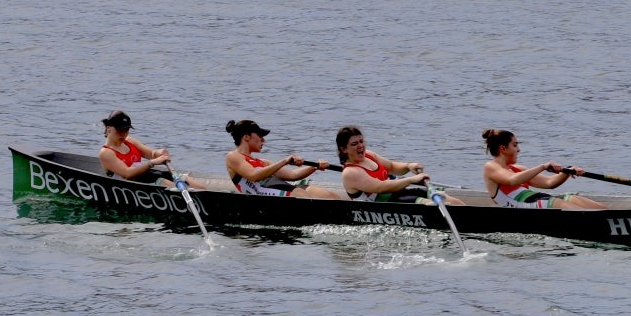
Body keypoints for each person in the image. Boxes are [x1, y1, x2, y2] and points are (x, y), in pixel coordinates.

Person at [335, 125, 465, 205]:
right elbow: (380, 187)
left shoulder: (369, 155)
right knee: (427, 202)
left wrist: (409, 166)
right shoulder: (350, 173)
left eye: (361, 141)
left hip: (395, 195)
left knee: (447, 199)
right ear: (344, 149)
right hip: (380, 204)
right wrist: (411, 180)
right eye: (354, 144)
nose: (360, 146)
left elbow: (391, 167)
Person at [480, 129, 605, 210]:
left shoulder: (517, 169)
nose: (519, 149)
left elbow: (549, 183)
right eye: (515, 145)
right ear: (503, 149)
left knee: (589, 204)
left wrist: (568, 171)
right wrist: (543, 166)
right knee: (559, 204)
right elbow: (512, 180)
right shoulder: (490, 167)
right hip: (522, 206)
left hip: (540, 200)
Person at [224, 119, 340, 199]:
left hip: (279, 187)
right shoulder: (233, 156)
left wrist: (315, 167)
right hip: (261, 193)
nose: (263, 140)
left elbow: (293, 175)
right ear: (246, 137)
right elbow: (254, 175)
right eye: (260, 136)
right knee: (299, 193)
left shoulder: (263, 162)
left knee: (331, 196)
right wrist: (285, 161)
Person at [98, 110, 206, 190]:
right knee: (160, 180)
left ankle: (207, 192)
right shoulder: (106, 153)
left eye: (126, 130)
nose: (124, 134)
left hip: (147, 176)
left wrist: (159, 153)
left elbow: (151, 154)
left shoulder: (129, 141)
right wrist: (152, 162)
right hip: (131, 184)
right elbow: (127, 173)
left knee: (178, 177)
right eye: (120, 130)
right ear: (108, 128)